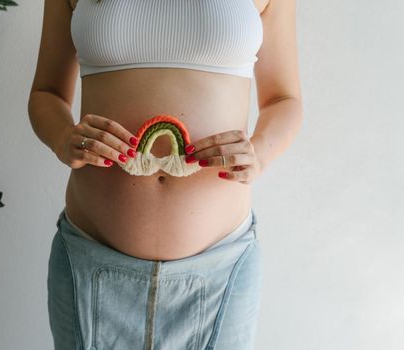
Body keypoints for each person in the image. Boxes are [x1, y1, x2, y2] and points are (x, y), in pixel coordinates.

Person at [28, 0, 303, 348]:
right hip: (91, 261)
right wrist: (63, 138)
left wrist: (259, 153)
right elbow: (46, 93)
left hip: (222, 270)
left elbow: (284, 99)